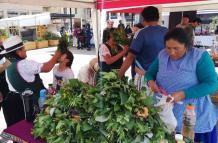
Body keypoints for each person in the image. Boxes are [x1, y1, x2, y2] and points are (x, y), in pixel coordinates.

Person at [145, 28, 218, 143]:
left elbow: (212, 84)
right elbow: (149, 73)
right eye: (168, 48)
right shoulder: (162, 55)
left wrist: (183, 94)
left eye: (176, 48)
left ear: (186, 46)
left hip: (193, 117)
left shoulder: (199, 57)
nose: (172, 52)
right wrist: (151, 82)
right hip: (165, 115)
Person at [0, 36, 62, 126]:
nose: (25, 50)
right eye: (23, 48)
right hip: (27, 103)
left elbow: (37, 66)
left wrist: (52, 61)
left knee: (18, 131)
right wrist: (56, 55)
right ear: (18, 51)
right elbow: (47, 67)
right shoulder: (24, 64)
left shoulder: (9, 63)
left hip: (12, 101)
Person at [118, 6, 168, 89]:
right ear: (158, 17)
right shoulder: (167, 31)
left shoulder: (141, 33)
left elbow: (130, 57)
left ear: (143, 19)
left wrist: (119, 76)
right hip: (161, 76)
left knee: (142, 100)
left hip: (144, 76)